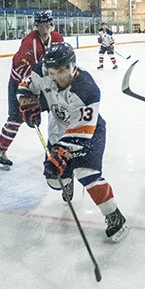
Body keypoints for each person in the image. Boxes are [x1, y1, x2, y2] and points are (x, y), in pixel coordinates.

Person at [16, 42, 128, 242]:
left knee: (86, 174)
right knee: (54, 180)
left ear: (73, 65)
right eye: (53, 72)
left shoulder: (87, 88)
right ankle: (66, 181)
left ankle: (114, 215)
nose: (59, 76)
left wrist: (61, 154)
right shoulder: (40, 72)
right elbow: (25, 86)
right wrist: (28, 103)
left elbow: (82, 130)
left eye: (63, 70)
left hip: (89, 132)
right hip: (57, 133)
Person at [0, 10, 64, 170]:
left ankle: (56, 150)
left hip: (46, 85)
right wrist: (30, 97)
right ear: (36, 26)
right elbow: (19, 70)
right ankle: (0, 152)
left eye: (47, 25)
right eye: (41, 26)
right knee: (16, 118)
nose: (45, 30)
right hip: (21, 85)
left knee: (56, 114)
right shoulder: (28, 43)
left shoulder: (58, 39)